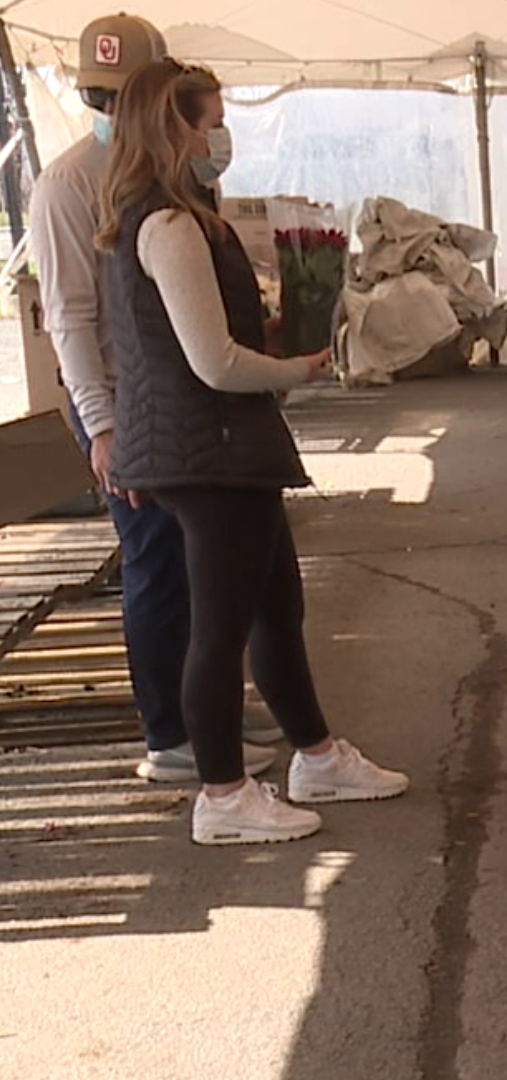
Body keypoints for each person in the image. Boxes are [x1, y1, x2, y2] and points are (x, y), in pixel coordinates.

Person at [96, 59, 408, 845]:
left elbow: (187, 343)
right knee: (222, 626)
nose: (220, 138)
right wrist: (295, 368)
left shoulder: (169, 217)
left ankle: (316, 755)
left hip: (212, 444)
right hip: (211, 449)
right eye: (210, 123)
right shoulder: (167, 225)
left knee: (275, 607)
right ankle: (224, 795)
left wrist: (270, 340)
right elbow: (212, 363)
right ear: (175, 130)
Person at [28, 13, 279, 783]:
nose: (111, 114)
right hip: (120, 395)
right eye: (99, 99)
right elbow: (71, 315)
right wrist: (102, 426)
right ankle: (168, 731)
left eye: (125, 96)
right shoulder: (68, 183)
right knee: (155, 556)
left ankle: (209, 716)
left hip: (180, 388)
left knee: (211, 555)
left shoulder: (176, 170)